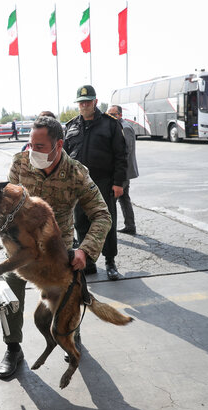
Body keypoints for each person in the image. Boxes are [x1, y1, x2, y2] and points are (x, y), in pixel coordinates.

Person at [0, 116, 112, 379]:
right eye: (30, 145)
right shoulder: (20, 163)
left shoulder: (76, 174)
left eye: (39, 147)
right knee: (8, 292)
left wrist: (85, 250)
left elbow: (102, 214)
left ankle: (70, 334)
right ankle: (12, 348)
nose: (32, 152)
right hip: (22, 247)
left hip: (58, 250)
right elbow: (7, 206)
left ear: (58, 145)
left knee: (67, 295)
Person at [63, 85, 128, 281]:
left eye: (87, 102)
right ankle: (88, 262)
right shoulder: (71, 126)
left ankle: (110, 262)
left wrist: (118, 183)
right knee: (81, 223)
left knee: (105, 223)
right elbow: (64, 156)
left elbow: (121, 155)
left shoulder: (110, 124)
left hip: (103, 182)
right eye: (81, 102)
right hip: (78, 184)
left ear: (95, 102)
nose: (84, 105)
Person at [106, 105, 139, 235]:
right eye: (108, 114)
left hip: (123, 172)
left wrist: (117, 171)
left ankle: (109, 229)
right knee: (124, 198)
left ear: (119, 115)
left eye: (112, 114)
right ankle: (130, 226)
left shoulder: (124, 128)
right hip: (123, 171)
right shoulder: (118, 126)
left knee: (112, 200)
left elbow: (126, 151)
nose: (109, 116)